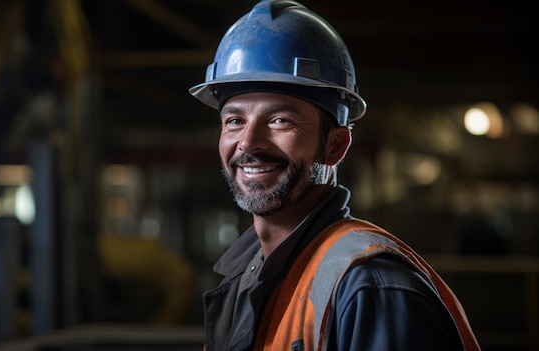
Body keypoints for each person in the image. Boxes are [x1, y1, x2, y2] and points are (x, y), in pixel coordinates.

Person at [189, 0, 481, 350]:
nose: (249, 143)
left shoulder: (372, 289)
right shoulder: (249, 276)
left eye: (279, 119)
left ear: (336, 145)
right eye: (234, 120)